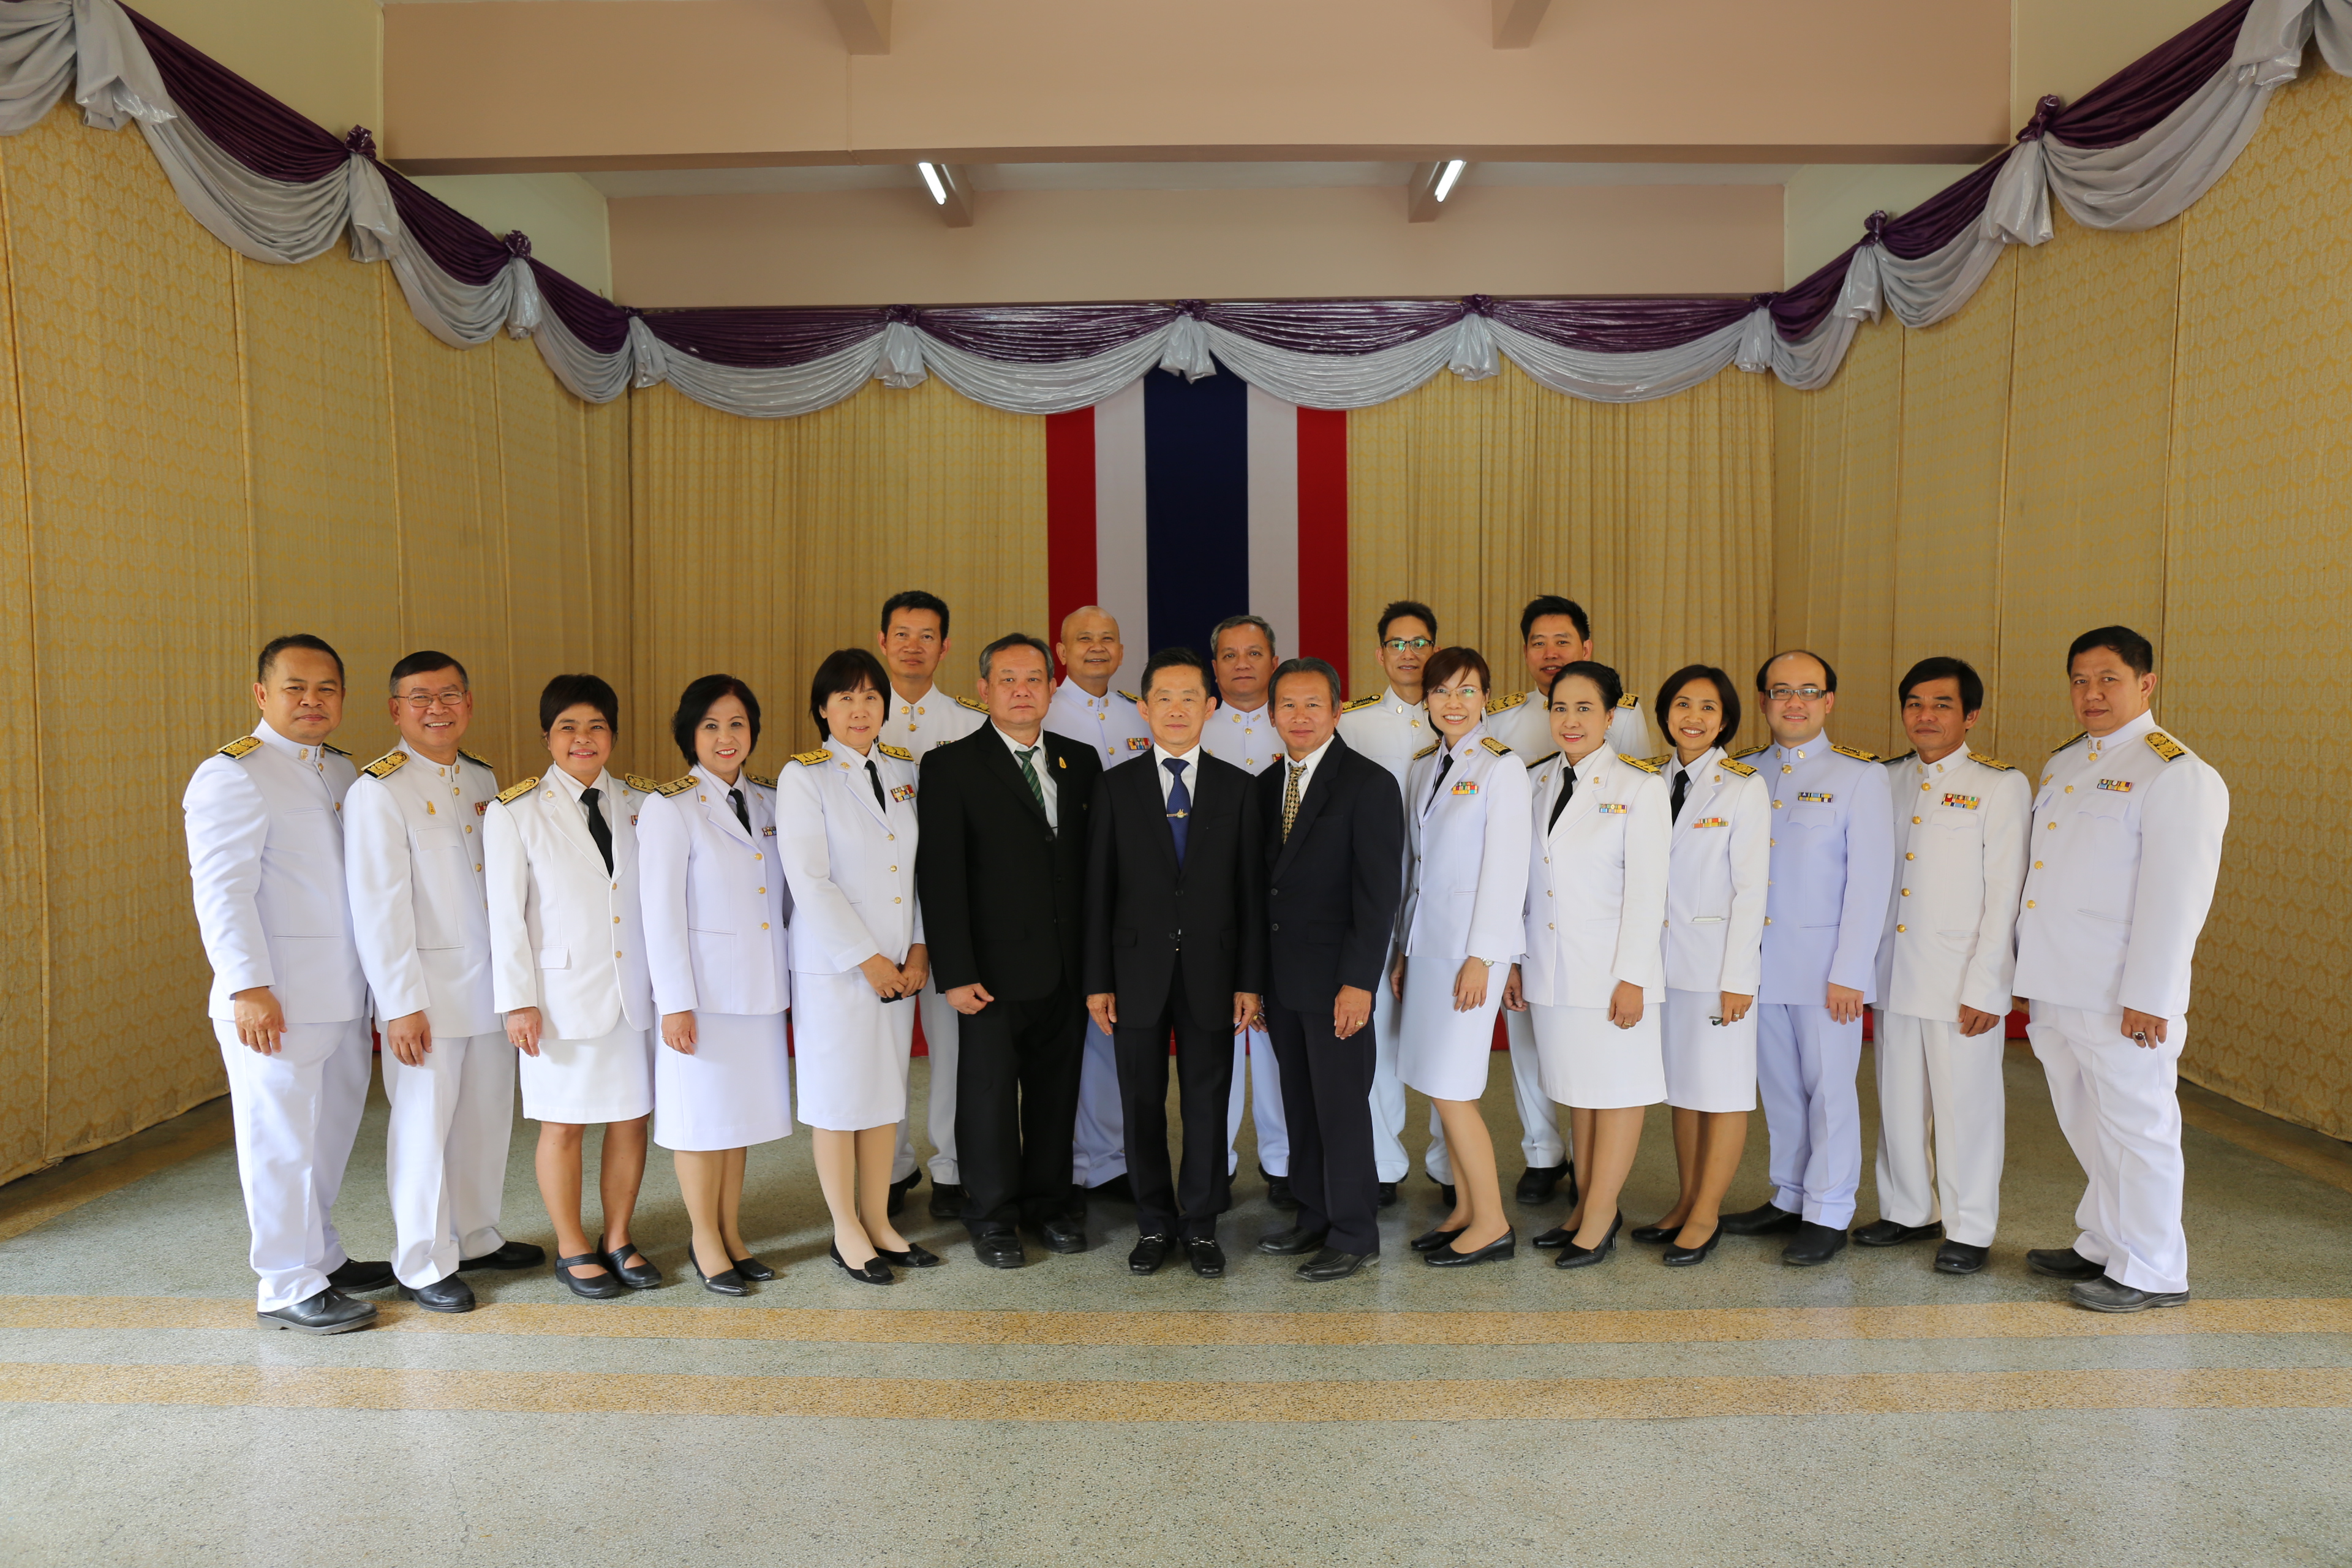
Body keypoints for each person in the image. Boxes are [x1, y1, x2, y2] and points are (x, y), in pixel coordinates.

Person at [2016, 627, 2228, 1313]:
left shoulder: (2176, 773)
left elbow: (2176, 898)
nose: (2092, 693)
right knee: (2088, 1122)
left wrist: (2151, 996)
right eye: (2080, 680)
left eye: (2109, 678)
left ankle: (2154, 1269)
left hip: (2119, 992)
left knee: (2139, 1129)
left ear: (2146, 683)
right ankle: (2106, 1240)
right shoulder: (2065, 763)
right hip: (2058, 982)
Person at [185, 635, 388, 1334]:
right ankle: (285, 1281)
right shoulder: (233, 773)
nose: (311, 701)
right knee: (278, 1142)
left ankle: (321, 1256)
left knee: (327, 1136)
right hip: (275, 1001)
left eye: (326, 688)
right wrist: (247, 986)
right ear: (261, 694)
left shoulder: (342, 770)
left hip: (343, 993)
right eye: (295, 688)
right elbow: (222, 891)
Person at [345, 651, 541, 1317]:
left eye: (450, 695)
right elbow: (379, 908)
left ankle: (475, 1235)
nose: (438, 708)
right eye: (421, 698)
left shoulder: (483, 779)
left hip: (489, 988)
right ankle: (423, 1261)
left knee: (485, 1119)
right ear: (395, 710)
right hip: (426, 995)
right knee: (424, 1130)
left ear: (469, 703)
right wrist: (400, 1004)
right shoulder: (379, 790)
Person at [916, 632, 1104, 1268]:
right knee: (989, 1097)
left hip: (1066, 967)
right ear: (984, 690)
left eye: (1034, 680)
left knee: (1056, 1093)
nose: (1022, 691)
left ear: (1052, 688)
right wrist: (956, 970)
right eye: (1008, 680)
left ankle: (1049, 1205)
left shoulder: (1081, 761)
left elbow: (1092, 871)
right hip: (990, 972)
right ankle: (992, 1216)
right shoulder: (951, 767)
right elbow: (941, 878)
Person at [1084, 647, 1267, 1278]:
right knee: (1140, 1100)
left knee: (1207, 1102)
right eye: (1164, 697)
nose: (1177, 709)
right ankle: (1154, 1222)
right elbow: (1098, 893)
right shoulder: (1114, 786)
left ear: (1210, 707)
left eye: (1191, 697)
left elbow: (1250, 895)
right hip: (1134, 973)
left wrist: (1250, 980)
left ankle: (1202, 1225)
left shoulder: (1240, 789)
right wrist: (1098, 981)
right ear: (1144, 708)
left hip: (1214, 973)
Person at [484, 674, 662, 1299]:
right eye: (568, 727)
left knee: (630, 1119)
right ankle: (571, 1245)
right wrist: (517, 1002)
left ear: (613, 734)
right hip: (558, 999)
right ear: (547, 736)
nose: (583, 739)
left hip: (632, 994)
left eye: (596, 727)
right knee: (562, 1125)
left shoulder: (644, 802)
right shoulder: (515, 811)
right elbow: (506, 916)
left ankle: (618, 1236)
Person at [1719, 652, 1894, 1266]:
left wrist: (1851, 971)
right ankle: (1789, 1194)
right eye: (1781, 691)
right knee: (1781, 1090)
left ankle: (1829, 1210)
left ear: (1829, 702)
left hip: (1825, 971)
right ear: (1763, 701)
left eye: (1809, 691)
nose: (1795, 702)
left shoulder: (1859, 776)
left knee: (1830, 1092)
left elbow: (1870, 883)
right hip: (1758, 966)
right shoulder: (1743, 771)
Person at [1480, 595, 1654, 1205]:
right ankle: (1549, 1160)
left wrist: (1635, 973)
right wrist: (1511, 951)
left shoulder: (1632, 750)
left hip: (1603, 951)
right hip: (1541, 944)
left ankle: (1596, 1201)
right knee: (1548, 1063)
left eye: (1563, 641)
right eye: (1538, 643)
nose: (1550, 653)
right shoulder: (1511, 735)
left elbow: (1641, 869)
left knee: (1606, 1081)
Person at [1859, 657, 2029, 1275]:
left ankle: (1970, 1227)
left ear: (1971, 715)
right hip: (1896, 969)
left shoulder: (1999, 785)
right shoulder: (1885, 778)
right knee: (1899, 1099)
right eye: (1915, 704)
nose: (1925, 716)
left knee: (1966, 1109)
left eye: (1942, 704)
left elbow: (2005, 892)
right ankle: (1909, 1209)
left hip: (1960, 977)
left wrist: (1990, 984)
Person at [776, 649, 940, 1286]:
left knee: (882, 1099)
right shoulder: (804, 776)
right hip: (839, 970)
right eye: (844, 697)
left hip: (899, 966)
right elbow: (809, 880)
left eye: (871, 696)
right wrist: (867, 960)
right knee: (839, 1101)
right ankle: (845, 1229)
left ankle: (879, 1220)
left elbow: (917, 872)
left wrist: (919, 946)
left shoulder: (902, 770)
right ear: (822, 708)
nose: (859, 708)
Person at [637, 676, 796, 1295]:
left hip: (758, 989)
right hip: (701, 997)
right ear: (690, 735)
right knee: (701, 1123)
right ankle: (704, 1238)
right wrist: (674, 1002)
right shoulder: (670, 807)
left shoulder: (769, 800)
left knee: (738, 1121)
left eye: (736, 724)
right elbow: (660, 913)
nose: (726, 737)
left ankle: (731, 1233)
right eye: (711, 726)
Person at [1509, 662, 1670, 1268]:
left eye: (1584, 708)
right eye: (1560, 708)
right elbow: (1525, 885)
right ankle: (1583, 1206)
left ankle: (1601, 1215)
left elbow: (1649, 893)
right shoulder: (1537, 780)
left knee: (1619, 1094)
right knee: (1581, 1093)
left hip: (1611, 975)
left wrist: (1634, 977)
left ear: (1610, 716)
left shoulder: (1639, 787)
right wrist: (1517, 961)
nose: (1570, 720)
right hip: (1553, 970)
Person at [1254, 658, 1405, 1281]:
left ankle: (1354, 1232)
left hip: (1338, 981)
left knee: (1342, 1108)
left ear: (1338, 711)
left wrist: (1358, 983)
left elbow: (1378, 896)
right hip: (1281, 981)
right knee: (1301, 1102)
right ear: (1271, 715)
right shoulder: (1266, 784)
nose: (1301, 716)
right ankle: (1314, 1214)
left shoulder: (1368, 784)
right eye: (1288, 705)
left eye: (1313, 704)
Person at [1391, 647, 1531, 1267]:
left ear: (1486, 698)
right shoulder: (1425, 766)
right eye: (1442, 690)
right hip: (1428, 946)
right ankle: (1468, 1209)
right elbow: (1414, 868)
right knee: (1434, 1082)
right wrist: (1404, 949)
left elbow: (1507, 869)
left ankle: (1493, 1222)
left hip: (1471, 952)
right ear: (1426, 699)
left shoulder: (1503, 767)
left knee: (1453, 1087)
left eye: (1467, 690)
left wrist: (1485, 957)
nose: (1454, 702)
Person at [1628, 665, 1768, 1266]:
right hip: (1662, 966)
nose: (1694, 717)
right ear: (1665, 714)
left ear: (1726, 719)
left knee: (1724, 1091)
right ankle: (1686, 1200)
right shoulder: (1649, 780)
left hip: (1715, 969)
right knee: (1683, 1090)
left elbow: (1752, 891)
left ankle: (1708, 1212)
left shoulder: (1743, 786)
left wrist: (1739, 978)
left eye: (1708, 707)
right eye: (1683, 704)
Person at [874, 590, 988, 1221]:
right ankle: (891, 1166)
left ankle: (951, 1166)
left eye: (927, 636)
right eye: (902, 634)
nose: (913, 646)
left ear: (945, 647)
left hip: (952, 907)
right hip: (883, 913)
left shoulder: (971, 722)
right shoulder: (858, 713)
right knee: (886, 1046)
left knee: (953, 1044)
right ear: (883, 641)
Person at [1335, 599, 1445, 1206]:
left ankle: (1449, 1165)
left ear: (1435, 649)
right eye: (1398, 643)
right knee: (1374, 1029)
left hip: (1441, 899)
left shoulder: (1460, 715)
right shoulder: (1354, 725)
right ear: (1380, 654)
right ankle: (1382, 1163)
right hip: (1374, 897)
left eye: (1420, 641)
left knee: (1444, 1036)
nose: (1409, 653)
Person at [1045, 605, 1153, 1204]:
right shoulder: (1042, 711)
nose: (1096, 647)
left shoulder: (1140, 712)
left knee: (1117, 1028)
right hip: (1070, 890)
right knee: (1074, 1032)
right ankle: (1075, 1160)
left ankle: (1112, 1158)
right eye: (1083, 638)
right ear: (1061, 652)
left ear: (1121, 650)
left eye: (1107, 638)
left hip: (1136, 891)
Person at [1199, 614, 1293, 1208]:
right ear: (1215, 668)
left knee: (1281, 1043)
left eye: (1254, 653)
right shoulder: (1196, 726)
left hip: (1285, 905)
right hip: (1217, 909)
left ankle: (1284, 1163)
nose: (1242, 664)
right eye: (1230, 654)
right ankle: (1218, 1164)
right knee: (1221, 1045)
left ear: (1273, 662)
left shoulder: (1295, 722)